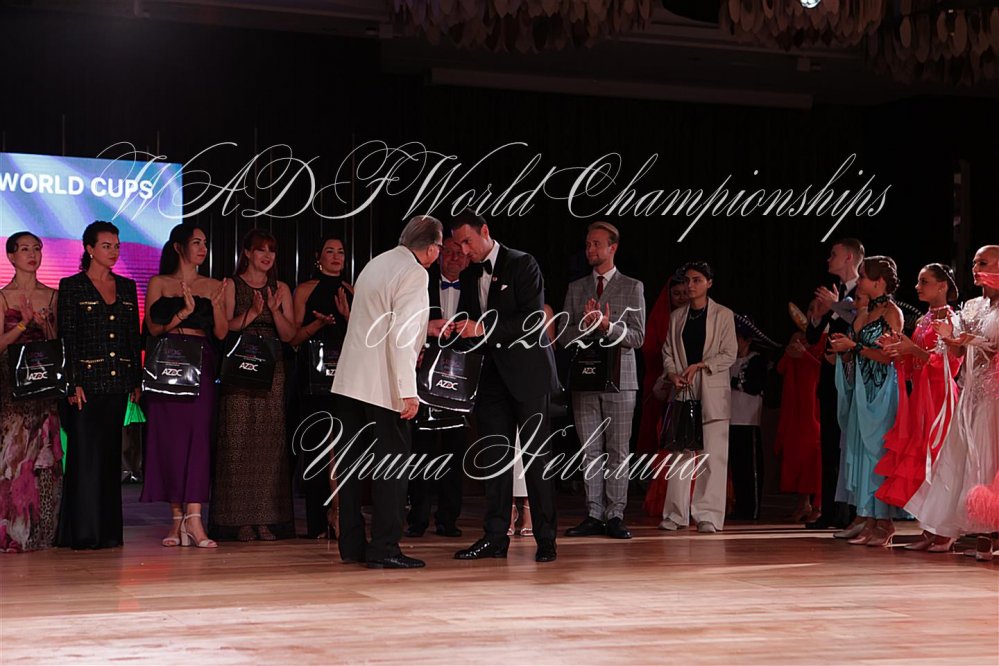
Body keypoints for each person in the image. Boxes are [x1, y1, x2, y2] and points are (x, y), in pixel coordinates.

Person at [331, 215, 441, 569]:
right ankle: (384, 548)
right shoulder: (415, 272)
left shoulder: (376, 263)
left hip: (350, 381)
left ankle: (352, 545)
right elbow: (402, 335)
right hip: (383, 385)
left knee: (350, 468)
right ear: (431, 248)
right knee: (391, 469)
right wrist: (408, 391)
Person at [450, 210, 559, 563]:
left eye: (467, 242)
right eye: (458, 245)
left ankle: (546, 539)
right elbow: (469, 323)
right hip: (491, 379)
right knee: (495, 460)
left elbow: (531, 319)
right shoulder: (470, 274)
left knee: (536, 460)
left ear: (485, 231)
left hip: (528, 376)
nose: (463, 251)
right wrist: (455, 332)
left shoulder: (523, 263)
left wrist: (482, 328)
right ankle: (495, 537)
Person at [904, 245, 999, 560]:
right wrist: (950, 337)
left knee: (989, 457)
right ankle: (968, 528)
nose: (976, 268)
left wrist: (976, 343)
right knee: (964, 458)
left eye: (983, 263)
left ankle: (987, 533)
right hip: (972, 391)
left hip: (995, 393)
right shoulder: (971, 306)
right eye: (974, 263)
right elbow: (957, 352)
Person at [140, 224, 228, 549]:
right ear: (178, 247)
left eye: (205, 243)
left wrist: (215, 305)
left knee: (198, 438)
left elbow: (221, 333)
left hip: (201, 362)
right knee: (170, 441)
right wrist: (183, 312)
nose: (203, 248)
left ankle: (195, 518)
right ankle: (177, 518)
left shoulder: (214, 285)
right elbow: (152, 328)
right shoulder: (159, 283)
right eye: (196, 242)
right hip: (167, 364)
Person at [56, 221, 142, 549]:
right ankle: (82, 532)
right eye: (106, 245)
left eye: (117, 246)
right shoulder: (72, 286)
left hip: (118, 383)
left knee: (109, 457)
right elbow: (67, 337)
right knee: (84, 457)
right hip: (85, 385)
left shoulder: (127, 287)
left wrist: (135, 379)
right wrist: (71, 382)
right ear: (89, 249)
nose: (114, 251)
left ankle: (107, 532)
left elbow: (132, 336)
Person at [210, 229, 297, 542]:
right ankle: (240, 521)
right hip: (239, 367)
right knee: (238, 443)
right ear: (246, 252)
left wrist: (273, 311)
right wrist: (253, 313)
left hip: (272, 370)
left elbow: (290, 335)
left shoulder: (281, 288)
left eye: (271, 250)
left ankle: (265, 519)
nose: (267, 255)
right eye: (261, 249)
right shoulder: (232, 284)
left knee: (268, 445)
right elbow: (225, 329)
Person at [562, 221, 646, 540]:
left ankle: (615, 514)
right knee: (590, 450)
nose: (590, 249)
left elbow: (637, 337)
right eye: (587, 244)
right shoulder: (576, 288)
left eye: (596, 244)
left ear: (613, 247)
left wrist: (608, 327)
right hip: (586, 379)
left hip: (621, 380)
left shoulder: (632, 286)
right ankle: (594, 513)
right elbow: (564, 337)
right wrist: (585, 326)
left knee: (618, 450)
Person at [876, 264, 962, 551]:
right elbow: (916, 362)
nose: (917, 287)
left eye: (924, 281)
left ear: (942, 286)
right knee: (925, 462)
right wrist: (899, 350)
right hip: (922, 398)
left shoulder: (954, 320)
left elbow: (951, 364)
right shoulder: (924, 320)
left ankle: (945, 530)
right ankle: (929, 527)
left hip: (941, 398)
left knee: (941, 460)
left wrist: (912, 350)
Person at [828, 255, 904, 547]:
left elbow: (889, 357)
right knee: (861, 453)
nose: (859, 282)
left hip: (882, 390)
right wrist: (844, 351)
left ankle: (885, 521)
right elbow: (856, 352)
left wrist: (855, 347)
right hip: (862, 390)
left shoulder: (893, 313)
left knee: (878, 453)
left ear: (879, 282)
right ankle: (868, 517)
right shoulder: (864, 312)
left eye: (863, 277)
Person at [658, 261, 737, 534]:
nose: (691, 285)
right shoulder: (677, 316)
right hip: (684, 390)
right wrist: (671, 373)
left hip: (712, 391)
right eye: (688, 280)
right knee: (680, 454)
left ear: (709, 283)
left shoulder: (723, 315)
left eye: (697, 280)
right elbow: (668, 351)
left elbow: (729, 353)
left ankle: (708, 515)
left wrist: (702, 365)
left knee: (712, 457)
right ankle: (675, 514)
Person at [0, 232, 62, 552]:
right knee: (13, 456)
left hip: (44, 383)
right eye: (24, 249)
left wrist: (45, 325)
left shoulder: (52, 296)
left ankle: (40, 532)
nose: (32, 254)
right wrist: (23, 324)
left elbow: (58, 343)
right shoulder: (3, 297)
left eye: (37, 248)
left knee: (43, 457)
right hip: (12, 384)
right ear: (11, 256)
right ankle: (11, 530)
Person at [406, 235, 469, 539]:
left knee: (455, 449)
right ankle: (417, 518)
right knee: (422, 448)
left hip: (461, 378)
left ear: (468, 259)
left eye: (460, 254)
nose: (455, 258)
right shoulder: (422, 283)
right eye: (449, 252)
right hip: (425, 375)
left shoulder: (475, 289)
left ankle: (448, 519)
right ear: (439, 254)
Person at [290, 234, 352, 539]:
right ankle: (318, 518)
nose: (336, 256)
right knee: (315, 445)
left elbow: (367, 336)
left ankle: (338, 512)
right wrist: (318, 324)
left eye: (340, 252)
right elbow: (293, 338)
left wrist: (347, 316)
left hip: (346, 376)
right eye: (330, 251)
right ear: (318, 257)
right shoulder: (305, 290)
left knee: (340, 447)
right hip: (313, 376)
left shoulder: (352, 290)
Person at [806, 238, 864, 530]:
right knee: (829, 446)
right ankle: (829, 510)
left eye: (834, 254)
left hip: (854, 379)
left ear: (849, 258)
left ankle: (851, 512)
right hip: (830, 378)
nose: (829, 259)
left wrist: (836, 306)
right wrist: (818, 317)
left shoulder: (864, 289)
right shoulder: (834, 292)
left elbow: (864, 323)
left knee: (849, 447)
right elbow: (812, 337)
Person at [774, 300, 825, 523]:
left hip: (815, 402)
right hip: (796, 404)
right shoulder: (798, 336)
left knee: (814, 455)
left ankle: (819, 505)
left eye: (818, 309)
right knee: (797, 453)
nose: (812, 313)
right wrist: (789, 352)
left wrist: (805, 354)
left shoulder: (826, 337)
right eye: (810, 308)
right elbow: (781, 368)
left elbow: (825, 370)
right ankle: (802, 503)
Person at [727, 314, 772, 521]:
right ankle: (739, 506)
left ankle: (752, 508)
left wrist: (734, 383)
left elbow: (754, 386)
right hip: (730, 419)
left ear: (746, 340)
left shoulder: (756, 360)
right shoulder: (729, 362)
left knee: (750, 468)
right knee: (736, 467)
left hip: (748, 420)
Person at [637, 275, 688, 457]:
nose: (682, 298)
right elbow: (650, 350)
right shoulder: (660, 318)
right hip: (662, 385)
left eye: (685, 293)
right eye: (676, 293)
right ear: (669, 296)